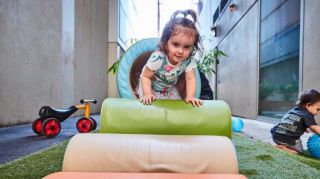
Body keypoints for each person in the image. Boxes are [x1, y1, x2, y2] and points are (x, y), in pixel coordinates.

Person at [137, 9, 203, 107]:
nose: (180, 51)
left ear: (192, 47)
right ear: (165, 43)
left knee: (177, 106)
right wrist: (148, 94)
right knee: (150, 105)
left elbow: (190, 78)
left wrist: (190, 96)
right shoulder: (159, 58)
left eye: (186, 47)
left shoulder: (188, 61)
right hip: (149, 86)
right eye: (176, 44)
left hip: (168, 88)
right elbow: (146, 76)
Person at [270, 89, 320, 154]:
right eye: (318, 109)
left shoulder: (293, 110)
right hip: (287, 139)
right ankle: (284, 149)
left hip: (275, 135)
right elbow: (314, 128)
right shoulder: (308, 114)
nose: (317, 112)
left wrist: (303, 128)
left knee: (286, 140)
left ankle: (282, 145)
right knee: (299, 152)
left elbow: (293, 122)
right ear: (308, 105)